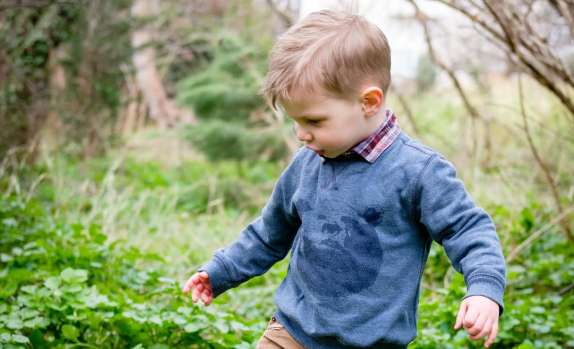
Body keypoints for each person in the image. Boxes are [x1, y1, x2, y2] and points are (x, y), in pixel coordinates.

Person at [182, 9, 506, 349]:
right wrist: (221, 271)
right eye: (295, 121)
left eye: (314, 121)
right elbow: (268, 234)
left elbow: (468, 229)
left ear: (368, 102)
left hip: (372, 343)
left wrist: (484, 288)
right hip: (291, 333)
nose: (301, 135)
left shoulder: (418, 172)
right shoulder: (305, 165)